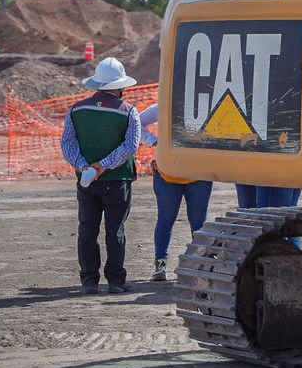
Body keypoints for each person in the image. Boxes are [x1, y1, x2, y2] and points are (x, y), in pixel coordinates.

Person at [60, 57, 141, 294]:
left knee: (87, 230)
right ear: (119, 86)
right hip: (117, 181)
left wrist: (85, 167)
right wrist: (103, 166)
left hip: (86, 181)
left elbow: (67, 144)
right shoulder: (129, 111)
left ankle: (89, 281)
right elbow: (131, 146)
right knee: (115, 230)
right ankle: (115, 281)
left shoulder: (76, 109)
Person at [139, 104, 213, 281]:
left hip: (199, 172)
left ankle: (200, 264)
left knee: (199, 223)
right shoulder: (163, 105)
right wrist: (154, 141)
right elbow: (135, 122)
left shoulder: (208, 104)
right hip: (168, 173)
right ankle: (160, 265)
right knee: (166, 219)